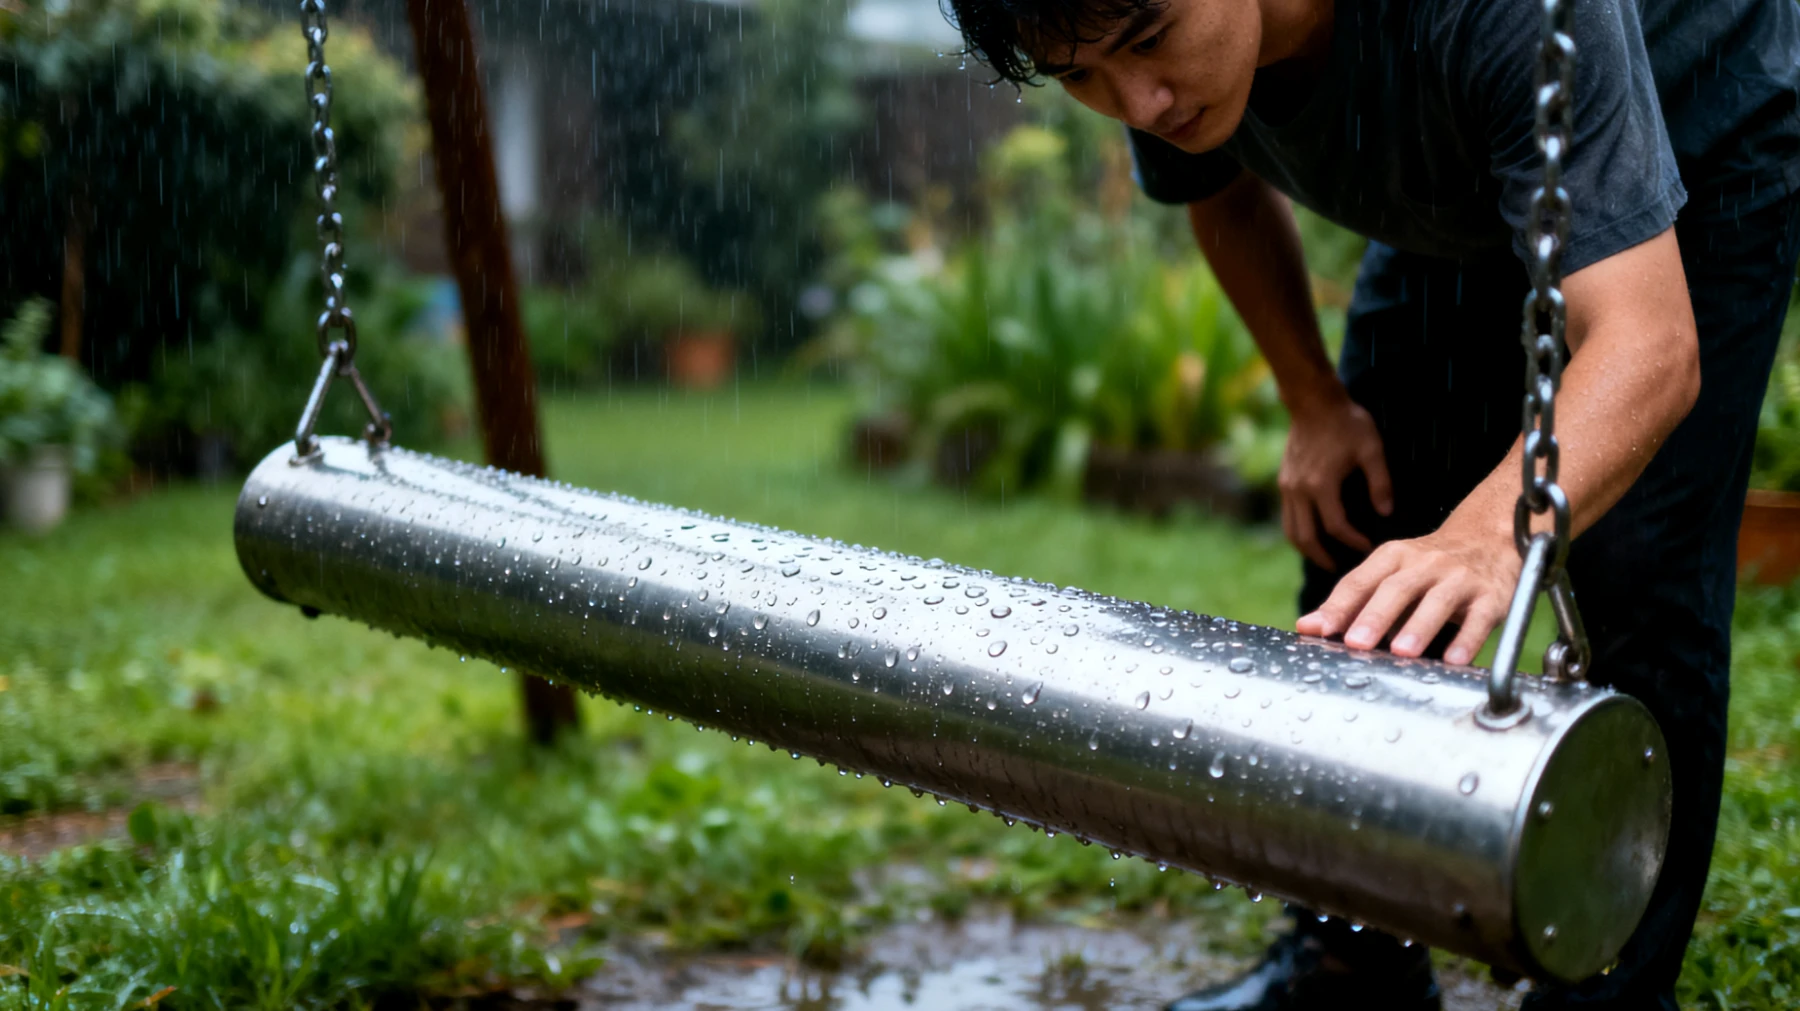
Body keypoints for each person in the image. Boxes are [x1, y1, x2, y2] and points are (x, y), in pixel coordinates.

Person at [938, 0, 1800, 1008]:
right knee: (1358, 508)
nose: (1142, 101)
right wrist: (1312, 401)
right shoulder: (1139, 26)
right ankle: (1354, 970)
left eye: (1147, 43)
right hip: (1456, 167)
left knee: (1633, 577)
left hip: (1700, 128)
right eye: (1081, 78)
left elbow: (1648, 348)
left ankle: (1605, 998)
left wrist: (1487, 536)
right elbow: (1215, 189)